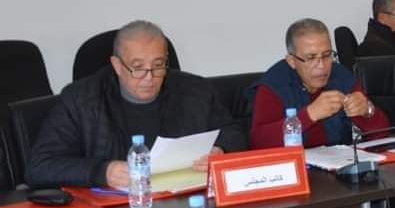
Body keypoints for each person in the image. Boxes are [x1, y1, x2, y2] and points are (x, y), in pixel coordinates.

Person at [27, 20, 246, 189]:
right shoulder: (81, 100)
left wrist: (220, 150)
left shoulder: (194, 90)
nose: (149, 77)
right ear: (117, 65)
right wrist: (102, 171)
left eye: (158, 66)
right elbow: (39, 167)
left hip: (181, 202)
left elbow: (234, 133)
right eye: (138, 67)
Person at [249, 18, 389, 149]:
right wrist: (310, 114)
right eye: (311, 58)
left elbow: (382, 135)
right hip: (295, 164)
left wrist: (368, 111)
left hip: (339, 161)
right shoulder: (274, 85)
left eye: (327, 55)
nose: (321, 66)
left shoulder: (340, 77)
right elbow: (258, 143)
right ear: (292, 61)